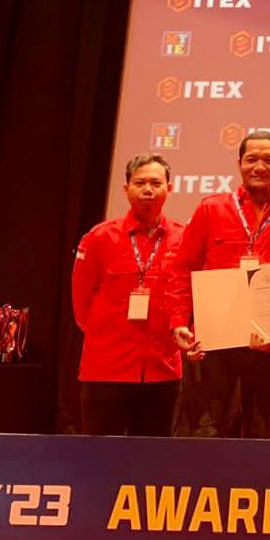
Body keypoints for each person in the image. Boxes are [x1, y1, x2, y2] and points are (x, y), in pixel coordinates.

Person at [166, 130, 270, 438]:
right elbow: (182, 268)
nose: (259, 167)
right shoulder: (211, 209)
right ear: (239, 164)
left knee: (263, 435)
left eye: (268, 160)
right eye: (251, 159)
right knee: (205, 431)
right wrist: (179, 321)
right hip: (215, 341)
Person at [72, 153, 184, 436]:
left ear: (170, 188)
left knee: (152, 458)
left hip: (161, 371)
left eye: (156, 183)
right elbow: (81, 303)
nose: (148, 190)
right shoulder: (99, 237)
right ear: (126, 189)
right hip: (105, 370)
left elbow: (187, 297)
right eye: (140, 183)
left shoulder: (183, 238)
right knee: (99, 456)